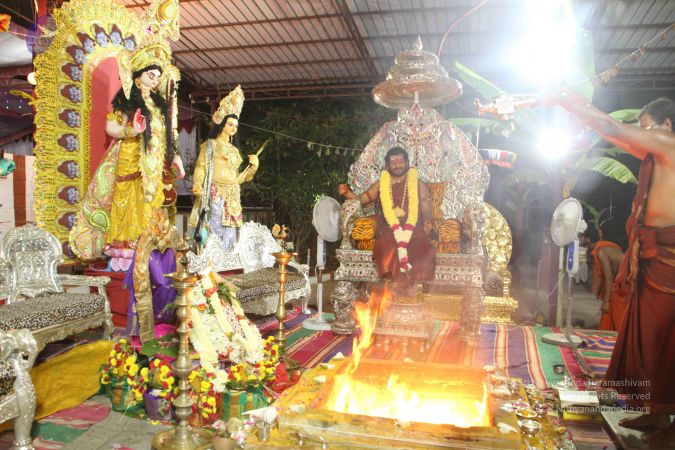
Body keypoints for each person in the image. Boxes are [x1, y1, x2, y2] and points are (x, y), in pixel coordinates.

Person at [548, 92, 675, 445]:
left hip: (669, 258)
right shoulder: (655, 153)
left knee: (667, 340)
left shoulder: (668, 144)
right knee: (650, 339)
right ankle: (657, 411)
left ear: (667, 125)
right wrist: (576, 108)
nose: (642, 134)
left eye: (647, 127)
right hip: (653, 259)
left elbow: (611, 127)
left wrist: (566, 101)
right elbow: (611, 132)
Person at [70, 38, 183, 262]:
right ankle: (127, 242)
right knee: (129, 197)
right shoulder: (127, 101)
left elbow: (168, 136)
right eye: (151, 74)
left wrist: (176, 157)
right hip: (131, 157)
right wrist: (133, 130)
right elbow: (110, 127)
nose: (155, 79)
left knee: (153, 199)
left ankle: (151, 239)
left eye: (158, 76)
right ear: (138, 77)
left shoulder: (160, 107)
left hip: (155, 162)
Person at [339, 146, 435, 295]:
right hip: (389, 226)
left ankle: (413, 285)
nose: (397, 165)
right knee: (387, 243)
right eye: (393, 162)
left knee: (418, 242)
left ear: (407, 163)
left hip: (413, 226)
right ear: (387, 165)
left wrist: (428, 220)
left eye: (401, 161)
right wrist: (347, 193)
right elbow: (363, 199)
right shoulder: (381, 183)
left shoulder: (417, 183)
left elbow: (425, 205)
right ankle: (396, 286)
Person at [189, 85, 259, 251]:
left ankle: (228, 260)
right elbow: (201, 166)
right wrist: (197, 183)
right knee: (214, 228)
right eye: (230, 124)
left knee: (231, 231)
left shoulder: (234, 150)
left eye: (236, 126)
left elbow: (236, 179)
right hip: (216, 191)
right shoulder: (210, 145)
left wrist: (253, 168)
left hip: (232, 194)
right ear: (221, 124)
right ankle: (212, 260)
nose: (233, 128)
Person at [579, 230, 626, 331]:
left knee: (612, 306)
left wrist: (606, 301)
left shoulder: (600, 251)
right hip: (622, 278)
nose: (578, 239)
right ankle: (609, 331)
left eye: (580, 237)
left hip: (625, 280)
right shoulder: (606, 245)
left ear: (588, 239)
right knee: (609, 310)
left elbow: (608, 276)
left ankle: (618, 334)